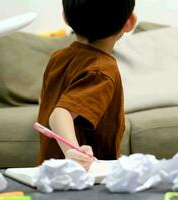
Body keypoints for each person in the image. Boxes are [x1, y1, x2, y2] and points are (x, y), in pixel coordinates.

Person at [37, 0, 137, 170]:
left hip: (51, 167)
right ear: (130, 22)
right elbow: (59, 113)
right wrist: (73, 153)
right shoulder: (101, 70)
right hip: (86, 173)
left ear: (65, 18)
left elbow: (46, 102)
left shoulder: (59, 57)